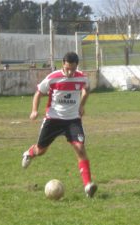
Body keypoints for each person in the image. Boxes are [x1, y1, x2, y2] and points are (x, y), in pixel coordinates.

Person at [22, 52, 97, 198]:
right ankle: (30, 152)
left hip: (73, 120)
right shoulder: (52, 78)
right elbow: (38, 93)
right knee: (41, 151)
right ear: (63, 64)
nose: (70, 72)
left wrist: (81, 105)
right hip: (53, 120)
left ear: (77, 66)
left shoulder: (82, 77)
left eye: (73, 69)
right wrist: (34, 111)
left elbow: (86, 90)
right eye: (67, 68)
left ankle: (88, 186)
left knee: (80, 148)